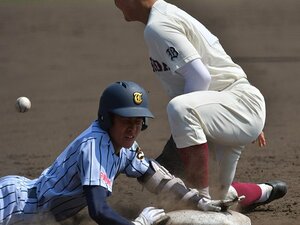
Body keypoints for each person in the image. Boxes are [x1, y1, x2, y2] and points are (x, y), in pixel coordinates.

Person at [114, 0, 287, 211]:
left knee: (179, 109)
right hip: (229, 108)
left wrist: (180, 139)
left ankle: (202, 200)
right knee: (221, 192)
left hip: (235, 104)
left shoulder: (158, 26)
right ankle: (265, 191)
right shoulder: (164, 16)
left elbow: (200, 77)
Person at [0, 81, 236, 225]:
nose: (133, 128)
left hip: (29, 208)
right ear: (107, 118)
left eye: (138, 121)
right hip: (13, 202)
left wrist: (198, 201)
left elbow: (159, 180)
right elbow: (99, 210)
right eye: (126, 121)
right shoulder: (94, 147)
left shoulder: (125, 147)